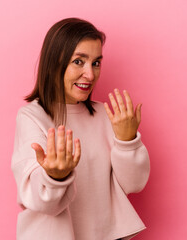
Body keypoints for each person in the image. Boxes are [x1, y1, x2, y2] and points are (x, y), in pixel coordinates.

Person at [11, 17, 150, 240]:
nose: (90, 74)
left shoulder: (106, 115)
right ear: (55, 62)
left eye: (96, 63)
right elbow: (42, 201)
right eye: (79, 62)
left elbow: (133, 185)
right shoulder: (32, 116)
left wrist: (127, 141)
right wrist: (55, 177)